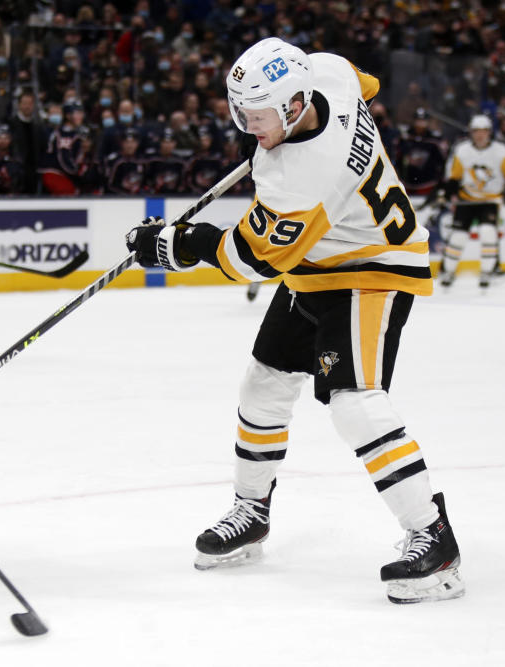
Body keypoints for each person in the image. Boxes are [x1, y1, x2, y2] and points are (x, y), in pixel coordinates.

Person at [124, 38, 463, 604]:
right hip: (319, 261)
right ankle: (251, 512)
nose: (246, 127)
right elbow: (367, 83)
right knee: (263, 384)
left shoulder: (302, 176)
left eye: (257, 117)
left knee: (354, 402)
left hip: (371, 268)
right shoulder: (330, 73)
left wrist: (176, 245)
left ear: (293, 102)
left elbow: (248, 259)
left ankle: (434, 538)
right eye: (241, 113)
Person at [438, 114, 505, 289]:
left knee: (488, 232)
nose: (480, 135)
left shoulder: (501, 150)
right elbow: (455, 176)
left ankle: (487, 271)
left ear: (489, 132)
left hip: (490, 201)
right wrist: (446, 193)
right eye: (476, 131)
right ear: (471, 132)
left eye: (483, 131)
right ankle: (448, 270)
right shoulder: (462, 150)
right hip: (466, 199)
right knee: (458, 237)